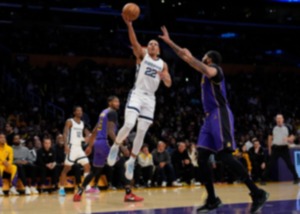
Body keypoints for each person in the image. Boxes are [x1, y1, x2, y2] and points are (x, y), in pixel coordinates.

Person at [159, 26, 268, 213]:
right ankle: (212, 199)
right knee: (201, 157)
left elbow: (200, 65)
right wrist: (170, 43)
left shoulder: (216, 70)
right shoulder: (203, 70)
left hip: (220, 114)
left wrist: (189, 56)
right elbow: (187, 58)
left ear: (209, 59)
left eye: (204, 57)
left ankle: (257, 192)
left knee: (224, 156)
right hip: (209, 118)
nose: (201, 58)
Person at [107, 13, 172, 185]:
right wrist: (129, 25)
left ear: (158, 49)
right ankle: (115, 146)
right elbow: (135, 42)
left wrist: (165, 77)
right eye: (150, 43)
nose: (152, 45)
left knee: (142, 131)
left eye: (155, 44)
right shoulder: (142, 55)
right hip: (137, 93)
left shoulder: (163, 64)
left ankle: (131, 160)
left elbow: (168, 83)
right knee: (129, 124)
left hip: (150, 99)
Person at [73, 96, 141, 201]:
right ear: (109, 103)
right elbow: (110, 132)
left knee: (94, 170)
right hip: (105, 143)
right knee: (121, 164)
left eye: (118, 101)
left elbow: (95, 129)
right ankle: (128, 194)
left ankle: (79, 193)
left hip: (98, 144)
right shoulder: (112, 113)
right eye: (115, 101)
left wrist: (90, 145)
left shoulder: (103, 112)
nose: (117, 103)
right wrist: (121, 146)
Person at [58, 106, 91, 196]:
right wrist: (65, 145)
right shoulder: (70, 121)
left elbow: (84, 134)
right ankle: (61, 188)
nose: (80, 112)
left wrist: (86, 138)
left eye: (81, 110)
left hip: (79, 147)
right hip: (71, 147)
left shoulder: (82, 123)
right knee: (66, 168)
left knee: (87, 165)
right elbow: (65, 133)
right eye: (78, 111)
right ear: (74, 112)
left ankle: (87, 186)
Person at [263, 114, 299, 184]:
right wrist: (269, 149)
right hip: (275, 148)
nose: (279, 120)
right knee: (270, 164)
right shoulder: (273, 128)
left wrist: (288, 139)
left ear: (283, 119)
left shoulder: (287, 127)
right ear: (276, 120)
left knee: (289, 164)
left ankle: (296, 178)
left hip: (284, 148)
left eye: (280, 118)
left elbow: (293, 137)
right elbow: (269, 138)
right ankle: (263, 179)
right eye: (277, 119)